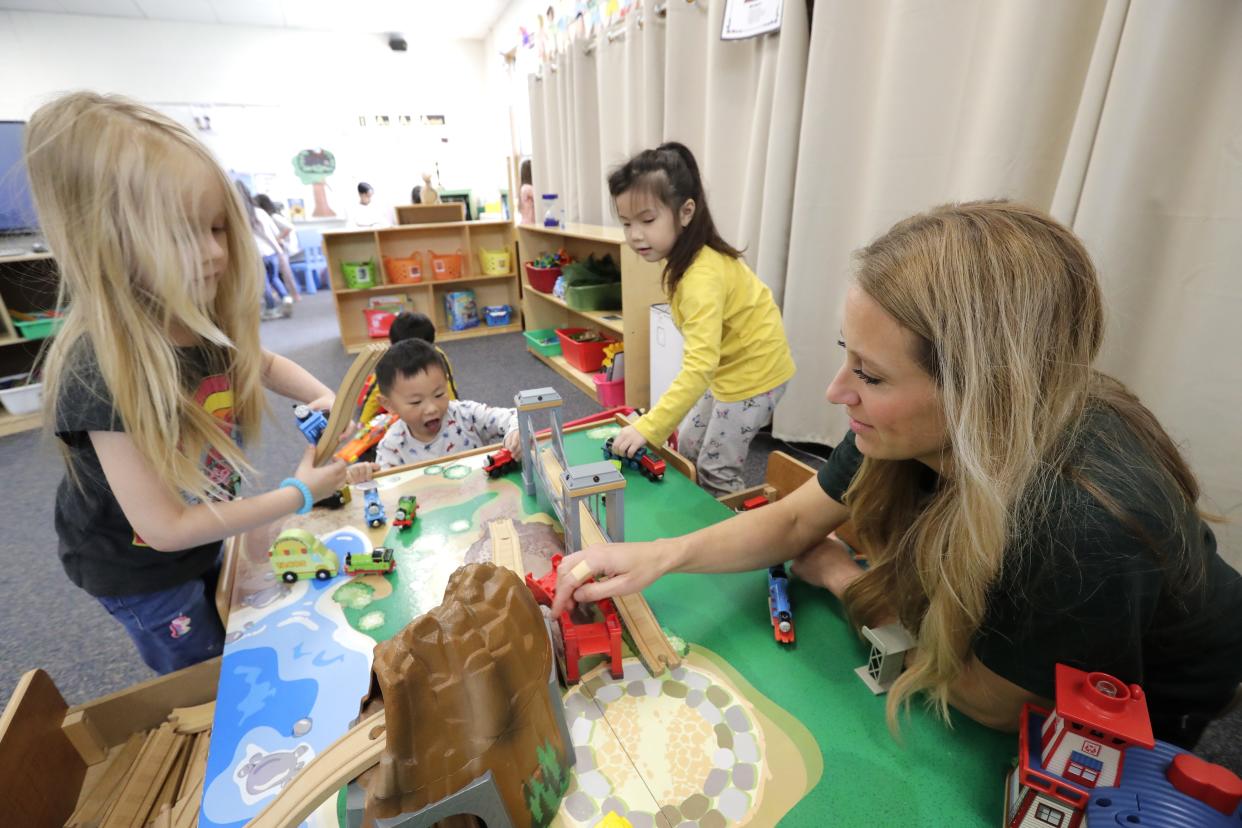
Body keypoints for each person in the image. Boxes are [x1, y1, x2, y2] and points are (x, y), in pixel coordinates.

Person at [552, 200, 1242, 749]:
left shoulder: (1080, 520)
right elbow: (796, 520)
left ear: (983, 396)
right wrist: (655, 557)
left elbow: (993, 702)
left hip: (1183, 709)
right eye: (848, 355)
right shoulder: (910, 432)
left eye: (871, 375)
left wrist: (840, 578)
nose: (835, 391)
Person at [28, 92, 348, 674]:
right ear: (107, 240)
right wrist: (299, 493)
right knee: (204, 669)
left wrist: (321, 396)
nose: (214, 253)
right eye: (181, 234)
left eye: (219, 227)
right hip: (141, 567)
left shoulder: (192, 314)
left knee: (229, 608)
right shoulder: (97, 373)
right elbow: (166, 528)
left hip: (199, 524)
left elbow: (261, 363)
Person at [607, 142, 795, 495]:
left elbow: (699, 365)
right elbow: (704, 360)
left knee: (715, 469)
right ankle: (698, 517)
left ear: (686, 211)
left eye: (647, 220)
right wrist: (654, 425)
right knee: (689, 448)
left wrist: (648, 426)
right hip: (729, 368)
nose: (634, 235)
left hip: (757, 375)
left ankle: (741, 543)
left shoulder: (700, 276)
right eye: (626, 223)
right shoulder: (686, 260)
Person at [345, 339, 519, 483]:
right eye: (416, 401)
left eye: (439, 394)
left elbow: (513, 415)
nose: (431, 408)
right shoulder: (392, 446)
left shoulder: (466, 414)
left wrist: (515, 431)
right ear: (389, 404)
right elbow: (385, 489)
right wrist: (363, 476)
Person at [354, 311, 459, 428]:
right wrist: (364, 420)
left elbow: (447, 385)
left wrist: (455, 413)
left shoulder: (437, 357)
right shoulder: (390, 361)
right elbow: (375, 391)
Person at [236, 181, 293, 320]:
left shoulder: (240, 215)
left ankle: (271, 308)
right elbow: (274, 231)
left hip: (256, 255)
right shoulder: (260, 212)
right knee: (274, 278)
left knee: (263, 282)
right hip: (271, 252)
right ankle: (286, 298)